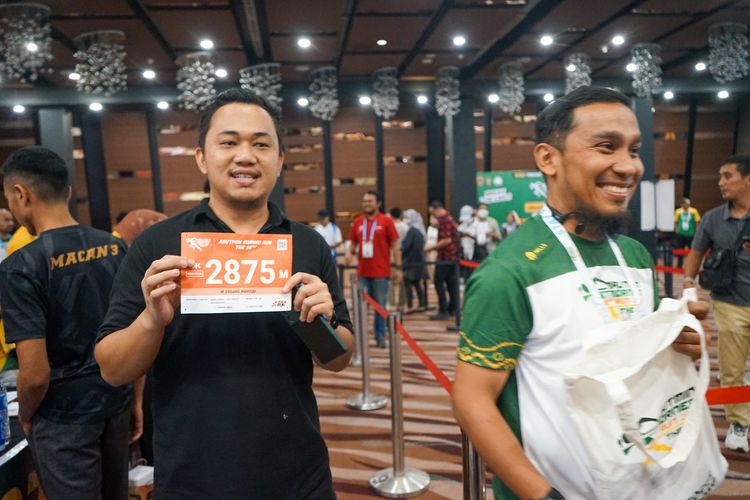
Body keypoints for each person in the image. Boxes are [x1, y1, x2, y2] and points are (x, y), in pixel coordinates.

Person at [94, 89, 354, 499]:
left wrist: (318, 322)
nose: (245, 156)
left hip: (299, 477)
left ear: (280, 160)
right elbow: (112, 369)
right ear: (202, 157)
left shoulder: (308, 244)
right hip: (191, 479)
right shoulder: (157, 246)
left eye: (261, 144)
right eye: (229, 142)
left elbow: (339, 358)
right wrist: (151, 321)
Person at [452, 86, 707, 499]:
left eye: (634, 150)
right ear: (548, 159)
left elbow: (625, 355)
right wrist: (541, 494)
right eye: (606, 146)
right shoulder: (509, 271)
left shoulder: (635, 255)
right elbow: (472, 400)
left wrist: (673, 343)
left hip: (640, 479)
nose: (628, 166)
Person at [0, 146, 137, 499]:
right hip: (117, 402)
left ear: (20, 193)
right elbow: (137, 333)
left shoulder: (21, 267)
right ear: (68, 192)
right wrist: (136, 400)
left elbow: (35, 373)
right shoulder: (115, 248)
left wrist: (26, 414)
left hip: (63, 417)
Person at [684, 154, 750, 453]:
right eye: (720, 176)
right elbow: (696, 254)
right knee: (732, 366)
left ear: (747, 180)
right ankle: (739, 422)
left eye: (727, 176)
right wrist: (688, 283)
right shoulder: (712, 219)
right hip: (729, 303)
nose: (721, 182)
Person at [345, 191, 402, 348]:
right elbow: (352, 243)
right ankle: (360, 338)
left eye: (370, 201)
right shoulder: (358, 222)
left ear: (378, 203)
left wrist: (398, 268)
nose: (367, 204)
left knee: (380, 306)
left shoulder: (386, 221)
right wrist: (349, 253)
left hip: (381, 273)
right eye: (365, 201)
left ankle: (380, 336)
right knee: (360, 307)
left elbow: (395, 245)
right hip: (362, 273)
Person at [425, 200, 459, 321]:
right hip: (451, 257)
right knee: (451, 284)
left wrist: (430, 248)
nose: (433, 216)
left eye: (433, 213)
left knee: (438, 282)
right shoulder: (449, 218)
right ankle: (453, 309)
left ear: (437, 209)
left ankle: (443, 310)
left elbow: (447, 240)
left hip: (446, 257)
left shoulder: (445, 220)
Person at [401, 209, 429, 314]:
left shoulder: (412, 231)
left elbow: (405, 246)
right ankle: (422, 303)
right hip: (419, 261)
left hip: (410, 262)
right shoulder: (420, 231)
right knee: (417, 284)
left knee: (408, 284)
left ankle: (409, 305)